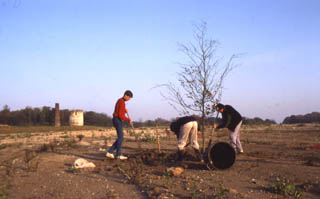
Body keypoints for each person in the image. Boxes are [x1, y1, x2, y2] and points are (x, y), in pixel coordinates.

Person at [106, 90, 133, 160]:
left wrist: (125, 111)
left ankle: (115, 153)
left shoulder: (120, 101)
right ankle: (114, 153)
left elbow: (119, 111)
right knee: (121, 138)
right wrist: (128, 120)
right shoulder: (121, 102)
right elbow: (121, 115)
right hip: (117, 120)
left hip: (117, 119)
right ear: (125, 95)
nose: (129, 99)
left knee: (120, 138)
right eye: (129, 97)